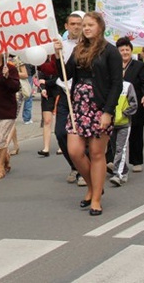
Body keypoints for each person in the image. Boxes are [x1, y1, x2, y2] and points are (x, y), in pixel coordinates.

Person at [54, 11, 123, 216]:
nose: (86, 28)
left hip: (100, 106)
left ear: (100, 27)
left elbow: (116, 84)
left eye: (90, 25)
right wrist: (57, 55)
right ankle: (94, 185)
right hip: (79, 105)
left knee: (96, 153)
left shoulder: (110, 51)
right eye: (84, 25)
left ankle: (95, 198)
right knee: (75, 151)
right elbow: (65, 74)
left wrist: (108, 112)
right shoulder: (78, 49)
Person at [55, 12, 84, 185]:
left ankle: (84, 168)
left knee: (82, 133)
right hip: (64, 93)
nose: (76, 27)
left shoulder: (88, 46)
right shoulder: (61, 46)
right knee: (60, 132)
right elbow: (58, 71)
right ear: (66, 26)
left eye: (79, 24)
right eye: (72, 24)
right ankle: (74, 165)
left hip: (82, 95)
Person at [116, 37, 144, 173]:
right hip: (117, 104)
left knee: (136, 133)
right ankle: (115, 161)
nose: (124, 52)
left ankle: (136, 161)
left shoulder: (138, 65)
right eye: (122, 50)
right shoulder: (113, 65)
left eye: (127, 49)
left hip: (134, 103)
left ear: (131, 50)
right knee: (116, 134)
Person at [108, 79, 137, 187]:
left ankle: (117, 174)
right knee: (115, 148)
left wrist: (123, 114)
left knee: (121, 148)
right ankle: (123, 170)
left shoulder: (127, 86)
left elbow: (134, 104)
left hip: (124, 124)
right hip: (110, 123)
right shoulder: (107, 85)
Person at [36, 54, 61, 157]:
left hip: (59, 91)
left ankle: (61, 145)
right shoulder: (41, 60)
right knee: (47, 120)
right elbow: (40, 77)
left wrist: (46, 82)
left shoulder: (58, 59)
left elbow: (60, 78)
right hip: (47, 92)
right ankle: (46, 148)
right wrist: (42, 88)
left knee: (59, 119)